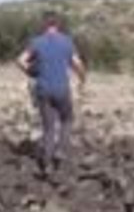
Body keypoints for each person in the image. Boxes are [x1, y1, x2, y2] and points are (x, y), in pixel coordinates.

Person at [14, 12, 87, 177]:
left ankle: (46, 165)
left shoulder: (36, 42)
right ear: (57, 25)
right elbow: (77, 64)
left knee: (48, 128)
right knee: (67, 120)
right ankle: (60, 150)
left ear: (44, 25)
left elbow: (20, 60)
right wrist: (82, 79)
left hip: (43, 90)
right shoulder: (66, 41)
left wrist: (30, 72)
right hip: (62, 90)